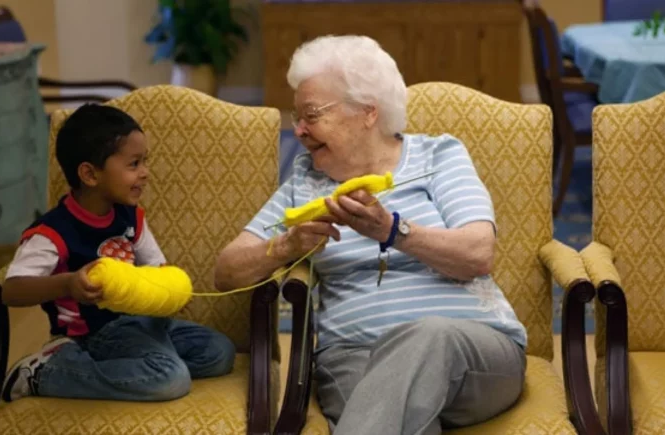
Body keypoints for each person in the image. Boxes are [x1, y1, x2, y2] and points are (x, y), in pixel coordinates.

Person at [215, 35, 528, 434]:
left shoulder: (437, 157)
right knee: (397, 412)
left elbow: (478, 253)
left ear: (367, 112)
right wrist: (286, 245)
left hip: (473, 354)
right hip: (353, 357)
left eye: (312, 115)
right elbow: (226, 271)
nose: (300, 131)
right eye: (297, 118)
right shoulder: (306, 181)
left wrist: (393, 231)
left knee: (426, 337)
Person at [0, 104, 235, 402]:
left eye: (144, 162)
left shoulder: (131, 217)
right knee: (171, 380)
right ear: (89, 174)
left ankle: (132, 369)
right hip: (95, 334)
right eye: (134, 164)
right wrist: (68, 284)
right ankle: (47, 371)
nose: (145, 173)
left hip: (143, 322)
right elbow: (11, 290)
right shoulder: (52, 232)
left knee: (219, 353)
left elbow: (156, 268)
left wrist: (170, 293)